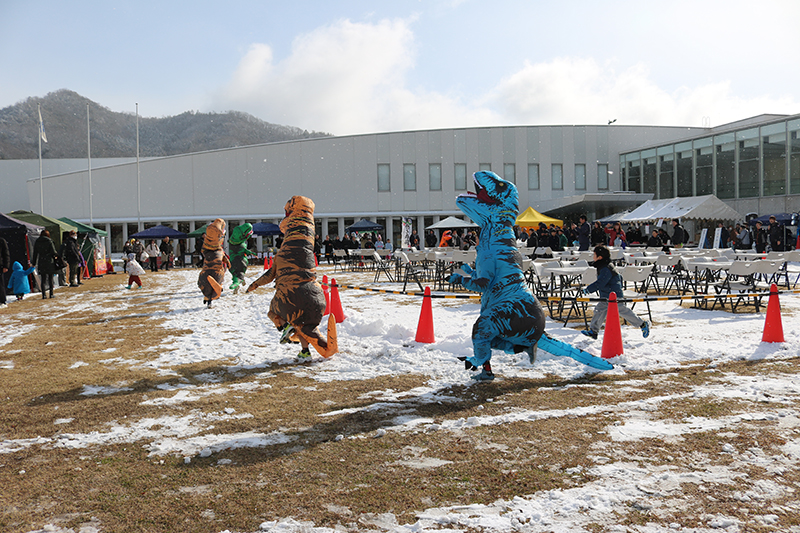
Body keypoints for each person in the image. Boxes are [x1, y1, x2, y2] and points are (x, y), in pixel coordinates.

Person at [581, 245, 650, 340]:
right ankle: (593, 331)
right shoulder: (605, 265)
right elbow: (619, 277)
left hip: (614, 295)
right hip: (606, 295)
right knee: (599, 311)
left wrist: (588, 289)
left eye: (594, 255)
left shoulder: (606, 268)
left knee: (623, 311)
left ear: (600, 257)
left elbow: (601, 282)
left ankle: (642, 324)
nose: (593, 257)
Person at [32, 230, 59, 299]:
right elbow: (53, 252)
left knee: (43, 279)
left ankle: (43, 295)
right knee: (50, 279)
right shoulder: (49, 241)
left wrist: (34, 263)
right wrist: (56, 255)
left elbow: (35, 253)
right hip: (49, 261)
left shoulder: (37, 241)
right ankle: (51, 294)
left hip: (41, 261)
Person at [0, 236, 9, 308]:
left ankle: (2, 301)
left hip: (0, 265)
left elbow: (6, 254)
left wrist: (6, 266)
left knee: (0, 284)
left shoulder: (1, 241)